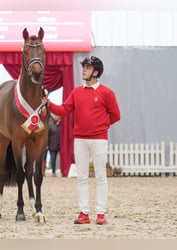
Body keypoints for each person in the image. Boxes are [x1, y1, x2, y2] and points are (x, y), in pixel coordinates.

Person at [42, 56, 120, 225]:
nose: (83, 69)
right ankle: (84, 213)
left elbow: (116, 115)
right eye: (83, 66)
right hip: (80, 140)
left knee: (100, 176)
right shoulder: (76, 92)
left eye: (87, 67)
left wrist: (101, 126)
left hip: (99, 139)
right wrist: (48, 104)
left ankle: (101, 214)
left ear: (96, 72)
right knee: (82, 177)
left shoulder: (107, 93)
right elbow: (63, 109)